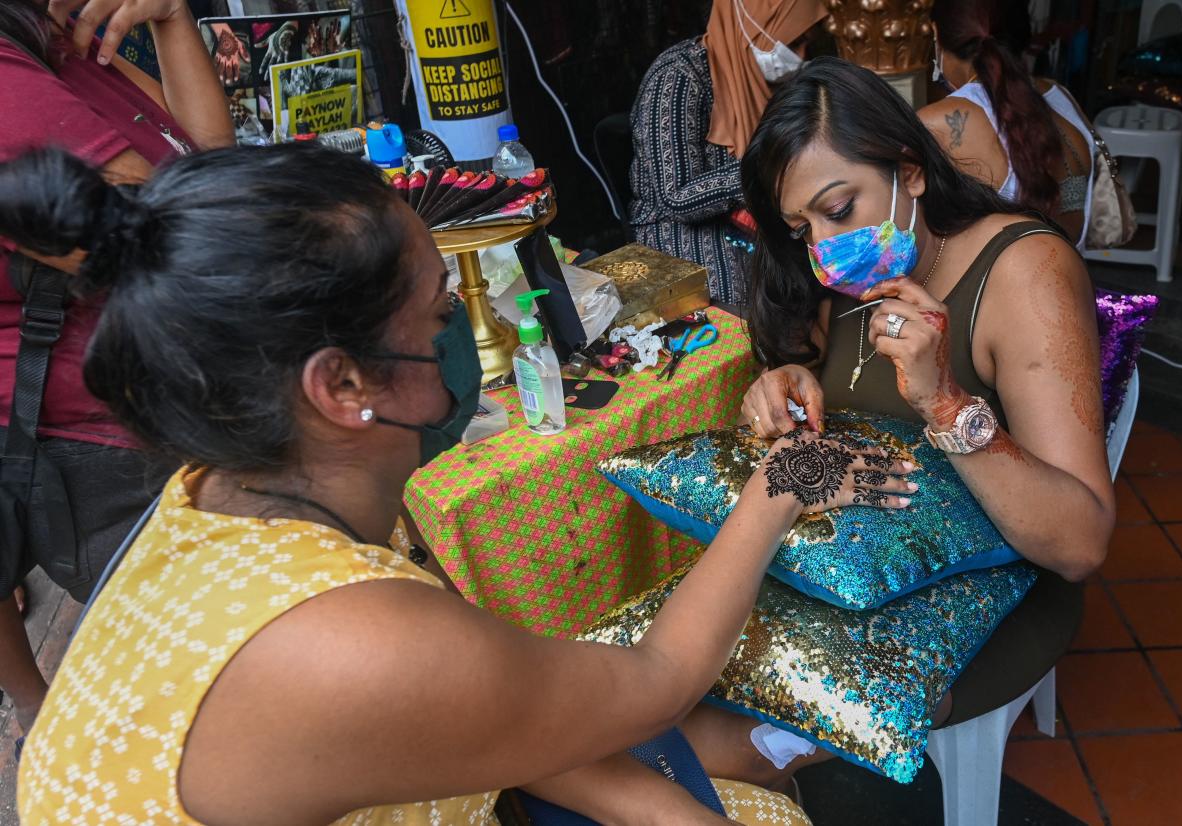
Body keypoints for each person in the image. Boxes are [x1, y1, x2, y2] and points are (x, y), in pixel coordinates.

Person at [5, 143, 919, 824]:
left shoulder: (219, 491)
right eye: (440, 311)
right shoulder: (351, 639)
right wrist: (783, 482)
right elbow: (653, 679)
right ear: (342, 386)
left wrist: (660, 805)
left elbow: (465, 717)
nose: (458, 343)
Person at [738, 57, 1114, 726]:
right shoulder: (854, 277)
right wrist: (788, 379)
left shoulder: (1025, 272)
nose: (823, 249)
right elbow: (844, 390)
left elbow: (1079, 546)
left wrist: (942, 401)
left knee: (730, 742)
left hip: (988, 598)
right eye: (802, 230)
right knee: (690, 684)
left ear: (909, 170)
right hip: (860, 572)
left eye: (836, 209)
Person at [0, 0, 231, 757]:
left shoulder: (55, 40)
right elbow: (175, 237)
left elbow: (207, 165)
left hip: (162, 382)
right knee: (220, 664)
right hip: (102, 428)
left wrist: (171, 20)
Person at [628, 0, 826, 306]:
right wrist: (765, 169)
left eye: (805, 43)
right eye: (793, 42)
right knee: (742, 311)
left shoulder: (766, 80)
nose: (800, 57)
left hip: (754, 218)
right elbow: (676, 196)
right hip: (682, 232)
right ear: (753, 27)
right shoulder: (678, 78)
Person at [917, 0, 1096, 249]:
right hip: (1073, 282)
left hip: (990, 288)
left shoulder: (936, 123)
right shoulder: (1062, 97)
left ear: (936, 34)